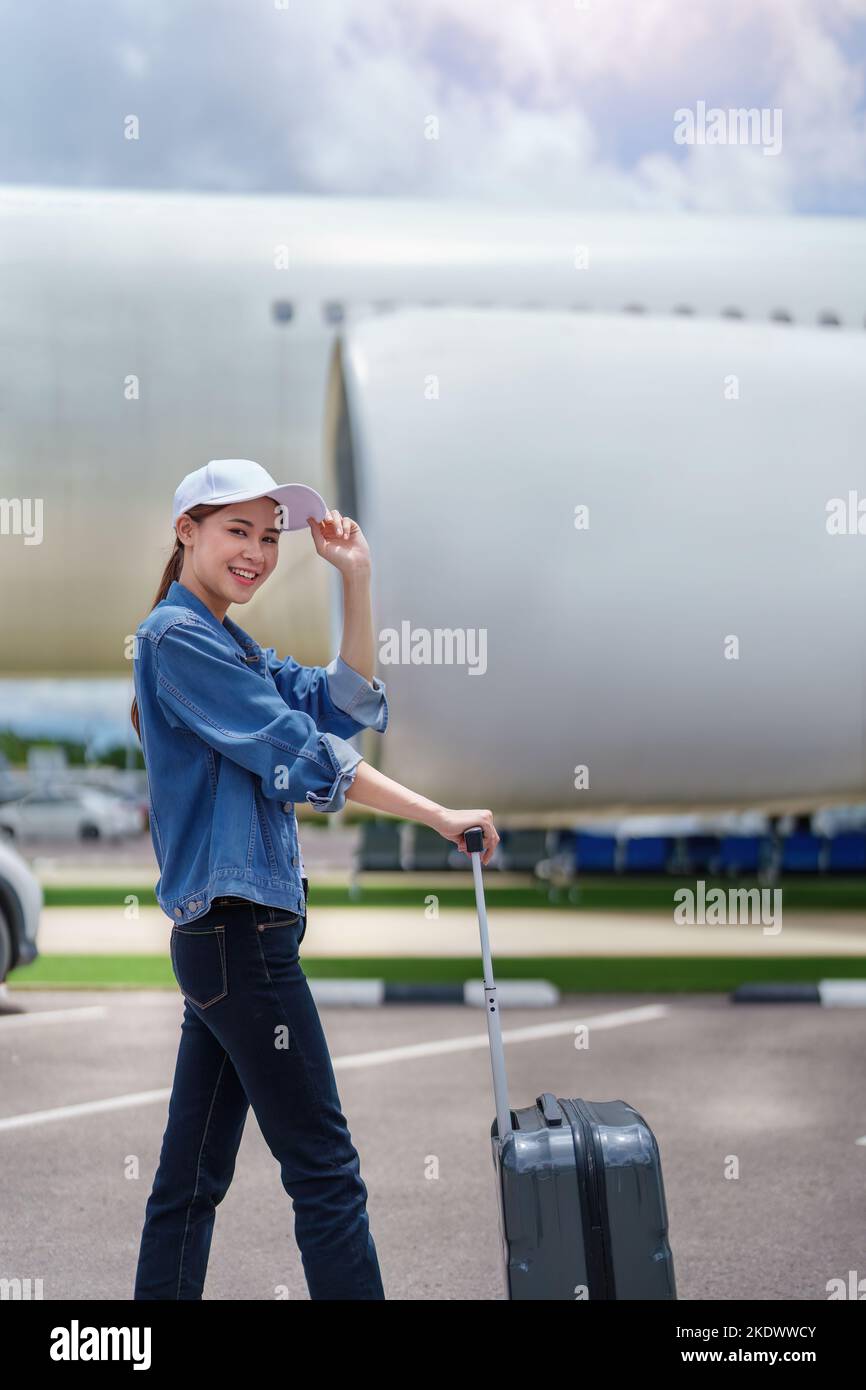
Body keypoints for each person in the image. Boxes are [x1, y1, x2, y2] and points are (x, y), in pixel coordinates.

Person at [130, 459, 499, 1300]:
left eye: (269, 536)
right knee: (325, 1171)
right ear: (186, 531)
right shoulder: (176, 638)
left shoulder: (232, 643)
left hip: (224, 947)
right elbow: (303, 752)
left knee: (189, 1185)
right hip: (241, 941)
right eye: (237, 531)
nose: (257, 552)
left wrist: (357, 579)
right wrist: (439, 814)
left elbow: (343, 705)